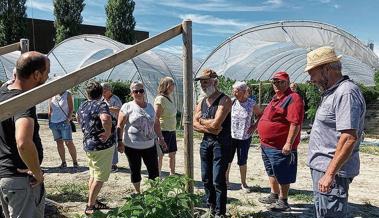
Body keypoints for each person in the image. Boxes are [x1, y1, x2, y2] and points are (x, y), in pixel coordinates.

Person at [305, 46, 366, 217]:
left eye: (312, 73)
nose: (310, 79)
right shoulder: (332, 93)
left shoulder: (346, 93)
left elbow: (348, 138)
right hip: (325, 169)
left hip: (332, 172)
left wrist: (329, 174)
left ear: (327, 69)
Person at [0, 51, 49, 218]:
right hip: (21, 181)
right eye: (46, 73)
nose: (47, 77)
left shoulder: (3, 94)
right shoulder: (22, 102)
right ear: (36, 74)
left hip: (6, 178)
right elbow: (23, 142)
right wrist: (37, 172)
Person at [257, 71, 304, 211]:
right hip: (267, 145)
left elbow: (295, 123)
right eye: (275, 82)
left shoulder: (293, 98)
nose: (277, 84)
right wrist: (256, 127)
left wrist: (289, 143)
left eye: (281, 82)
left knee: (283, 173)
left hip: (280, 146)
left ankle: (283, 201)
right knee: (272, 171)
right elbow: (266, 117)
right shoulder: (276, 98)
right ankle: (274, 194)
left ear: (287, 82)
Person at [193, 69, 232, 217]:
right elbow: (194, 124)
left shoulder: (224, 99)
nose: (203, 85)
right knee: (206, 178)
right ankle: (211, 206)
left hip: (220, 144)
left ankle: (220, 212)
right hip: (206, 143)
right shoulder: (202, 101)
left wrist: (201, 120)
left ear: (215, 82)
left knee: (218, 179)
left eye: (206, 81)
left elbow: (217, 124)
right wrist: (207, 125)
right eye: (202, 82)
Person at [117, 81, 165, 194]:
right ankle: (138, 192)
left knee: (154, 171)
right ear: (131, 93)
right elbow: (120, 125)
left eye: (141, 91)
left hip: (150, 145)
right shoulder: (127, 106)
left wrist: (161, 138)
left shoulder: (149, 106)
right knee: (135, 170)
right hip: (132, 146)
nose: (138, 93)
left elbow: (156, 123)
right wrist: (119, 141)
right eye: (135, 91)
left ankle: (153, 194)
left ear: (144, 92)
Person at [76, 81, 115, 215]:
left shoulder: (83, 105)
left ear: (88, 93)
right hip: (101, 146)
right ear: (101, 93)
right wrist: (108, 131)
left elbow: (78, 118)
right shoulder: (101, 104)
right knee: (99, 177)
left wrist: (87, 129)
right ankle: (90, 205)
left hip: (88, 145)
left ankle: (94, 201)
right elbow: (105, 118)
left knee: (93, 174)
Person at [225, 81, 261, 192]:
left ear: (244, 92)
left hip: (245, 137)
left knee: (242, 160)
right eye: (233, 91)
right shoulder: (232, 102)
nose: (234, 93)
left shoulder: (251, 103)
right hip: (231, 135)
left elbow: (261, 115)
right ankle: (226, 181)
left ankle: (243, 183)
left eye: (236, 91)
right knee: (227, 159)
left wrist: (254, 126)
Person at [48, 90, 78, 169]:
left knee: (68, 142)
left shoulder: (67, 94)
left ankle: (75, 162)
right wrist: (50, 120)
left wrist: (68, 119)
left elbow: (71, 108)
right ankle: (63, 162)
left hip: (64, 122)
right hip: (54, 122)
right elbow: (50, 109)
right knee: (59, 142)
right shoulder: (53, 94)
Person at [154, 77, 176, 176]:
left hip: (171, 130)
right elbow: (156, 117)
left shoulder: (169, 98)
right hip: (163, 130)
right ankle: (157, 174)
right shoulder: (160, 99)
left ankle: (172, 173)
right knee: (160, 154)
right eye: (172, 84)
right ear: (166, 86)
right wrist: (159, 136)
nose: (173, 86)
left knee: (172, 153)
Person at [101, 82, 123, 173]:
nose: (103, 92)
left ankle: (113, 164)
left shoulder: (115, 99)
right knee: (106, 143)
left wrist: (108, 108)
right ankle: (107, 162)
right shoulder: (103, 99)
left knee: (113, 144)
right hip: (105, 124)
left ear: (108, 90)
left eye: (104, 91)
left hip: (113, 124)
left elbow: (120, 110)